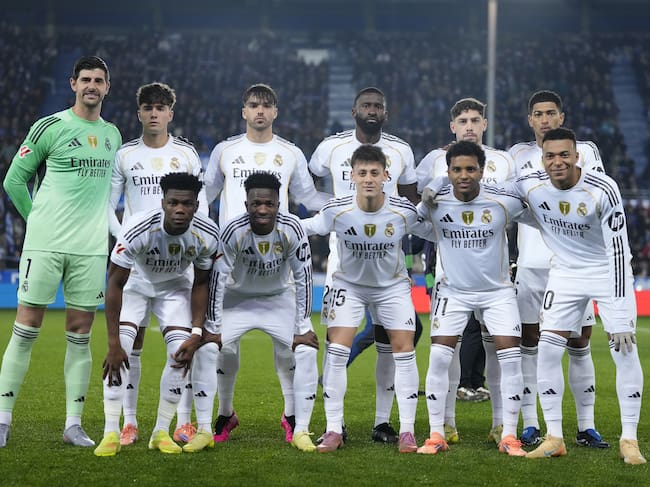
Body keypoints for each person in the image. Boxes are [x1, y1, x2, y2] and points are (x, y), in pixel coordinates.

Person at [0, 56, 121, 448]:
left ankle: (73, 425)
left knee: (81, 334)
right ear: (73, 84)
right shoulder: (50, 126)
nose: (92, 86)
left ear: (107, 87)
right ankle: (2, 419)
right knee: (26, 328)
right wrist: (37, 220)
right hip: (46, 244)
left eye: (98, 80)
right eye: (85, 79)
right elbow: (14, 180)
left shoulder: (113, 136)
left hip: (90, 250)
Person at [510, 128, 645, 465]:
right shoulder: (530, 185)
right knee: (547, 349)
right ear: (542, 159)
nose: (557, 162)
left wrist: (620, 310)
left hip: (607, 271)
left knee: (624, 348)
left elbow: (619, 251)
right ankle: (554, 437)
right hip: (565, 273)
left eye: (564, 155)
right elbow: (496, 195)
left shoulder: (603, 188)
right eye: (550, 156)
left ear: (576, 156)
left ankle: (629, 439)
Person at [204, 83, 328, 444]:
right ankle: (225, 413)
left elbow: (308, 198)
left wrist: (348, 203)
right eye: (254, 105)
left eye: (266, 105)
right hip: (232, 266)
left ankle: (292, 416)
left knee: (288, 348)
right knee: (223, 348)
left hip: (277, 265)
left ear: (275, 112)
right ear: (244, 111)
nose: (260, 110)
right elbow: (204, 196)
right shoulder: (225, 150)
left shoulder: (290, 153)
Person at [309, 86, 423, 444]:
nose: (369, 178)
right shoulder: (335, 192)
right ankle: (334, 427)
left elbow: (428, 219)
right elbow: (305, 217)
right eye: (363, 173)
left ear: (385, 175)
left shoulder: (402, 197)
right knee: (336, 346)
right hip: (345, 276)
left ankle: (396, 427)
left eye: (376, 172)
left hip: (391, 282)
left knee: (397, 347)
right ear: (353, 175)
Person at [108, 82, 208, 447]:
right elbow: (109, 206)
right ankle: (129, 422)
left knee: (183, 346)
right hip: (136, 262)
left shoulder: (186, 154)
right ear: (139, 113)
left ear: (170, 113)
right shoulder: (125, 154)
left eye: (160, 107)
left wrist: (193, 244)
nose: (154, 113)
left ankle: (183, 421)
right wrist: (127, 241)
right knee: (130, 344)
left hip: (178, 263)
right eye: (148, 107)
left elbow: (201, 206)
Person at [508, 90, 608, 448]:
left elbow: (591, 199)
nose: (545, 119)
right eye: (538, 114)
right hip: (531, 265)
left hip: (573, 264)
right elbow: (506, 201)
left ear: (561, 117)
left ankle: (586, 426)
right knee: (529, 342)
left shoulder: (586, 151)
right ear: (530, 120)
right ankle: (531, 424)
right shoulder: (515, 156)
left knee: (579, 342)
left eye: (551, 112)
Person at [417, 141, 530, 457]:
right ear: (448, 172)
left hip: (497, 293)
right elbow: (410, 220)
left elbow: (532, 201)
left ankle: (508, 434)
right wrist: (434, 187)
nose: (463, 175)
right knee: (439, 357)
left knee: (510, 358)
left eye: (470, 169)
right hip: (453, 292)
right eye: (456, 170)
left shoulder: (502, 201)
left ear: (482, 171)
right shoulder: (436, 203)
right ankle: (436, 433)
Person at [94, 173, 219, 456]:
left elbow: (201, 283)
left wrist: (196, 332)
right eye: (173, 202)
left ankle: (160, 432)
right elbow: (114, 284)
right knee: (121, 350)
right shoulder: (138, 228)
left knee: (180, 353)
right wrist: (113, 343)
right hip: (136, 285)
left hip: (175, 288)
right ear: (163, 202)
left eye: (186, 203)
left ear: (196, 205)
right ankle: (110, 432)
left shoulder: (207, 234)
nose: (179, 209)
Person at [205, 172, 319, 452]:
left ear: (279, 204)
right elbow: (218, 279)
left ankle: (297, 423)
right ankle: (225, 415)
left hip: (278, 298)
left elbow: (304, 277)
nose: (263, 209)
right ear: (247, 204)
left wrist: (303, 326)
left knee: (304, 350)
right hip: (238, 299)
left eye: (269, 203)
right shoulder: (233, 230)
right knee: (213, 348)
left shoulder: (292, 228)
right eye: (256, 203)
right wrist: (213, 327)